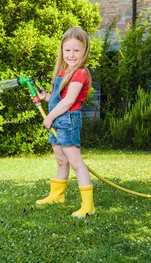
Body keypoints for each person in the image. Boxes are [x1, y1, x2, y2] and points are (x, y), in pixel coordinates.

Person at [35, 27, 95, 218]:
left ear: (84, 50)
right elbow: (59, 97)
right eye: (67, 50)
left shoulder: (80, 73)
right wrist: (46, 97)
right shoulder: (65, 71)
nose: (71, 54)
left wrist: (50, 116)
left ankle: (88, 206)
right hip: (59, 119)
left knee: (76, 163)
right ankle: (57, 195)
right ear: (62, 50)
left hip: (67, 120)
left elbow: (69, 101)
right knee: (61, 160)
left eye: (76, 50)